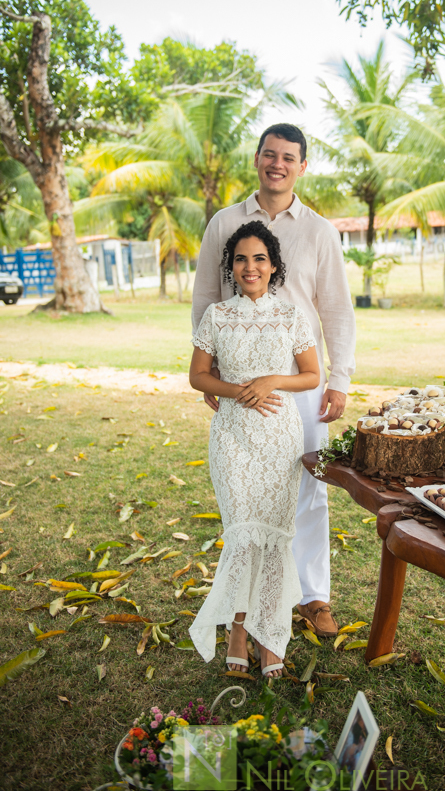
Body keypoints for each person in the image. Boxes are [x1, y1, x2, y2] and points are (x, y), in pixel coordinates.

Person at [192, 123, 356, 638]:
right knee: (248, 494)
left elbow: (337, 310)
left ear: (302, 166)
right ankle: (248, 604)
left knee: (308, 488)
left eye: (289, 157)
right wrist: (215, 373)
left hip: (301, 384)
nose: (278, 164)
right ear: (258, 159)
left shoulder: (319, 231)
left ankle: (312, 596)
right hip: (240, 387)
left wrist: (340, 378)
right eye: (270, 154)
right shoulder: (224, 223)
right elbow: (204, 298)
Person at [188, 222, 321, 677]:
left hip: (281, 437)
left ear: (274, 266)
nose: (250, 267)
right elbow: (198, 376)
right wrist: (236, 390)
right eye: (241, 259)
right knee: (243, 535)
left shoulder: (289, 316)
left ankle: (272, 634)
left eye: (259, 258)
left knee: (276, 538)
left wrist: (271, 381)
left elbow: (310, 375)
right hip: (231, 437)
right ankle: (239, 631)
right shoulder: (217, 316)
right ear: (231, 267)